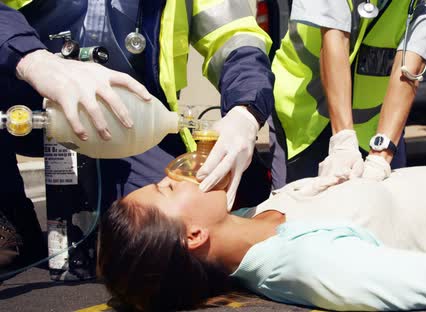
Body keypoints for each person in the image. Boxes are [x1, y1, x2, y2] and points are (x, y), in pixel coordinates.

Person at [0, 0, 274, 272]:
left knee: (164, 237)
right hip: (22, 97)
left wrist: (246, 111)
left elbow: (235, 34)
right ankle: (8, 217)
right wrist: (32, 60)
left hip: (129, 121)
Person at [98, 162, 426, 311]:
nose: (177, 176)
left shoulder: (246, 220)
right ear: (194, 236)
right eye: (167, 188)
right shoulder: (311, 266)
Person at [270, 0, 426, 188]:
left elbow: (412, 60)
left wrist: (381, 156)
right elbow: (334, 35)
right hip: (302, 113)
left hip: (375, 124)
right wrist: (343, 142)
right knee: (297, 211)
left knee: (380, 208)